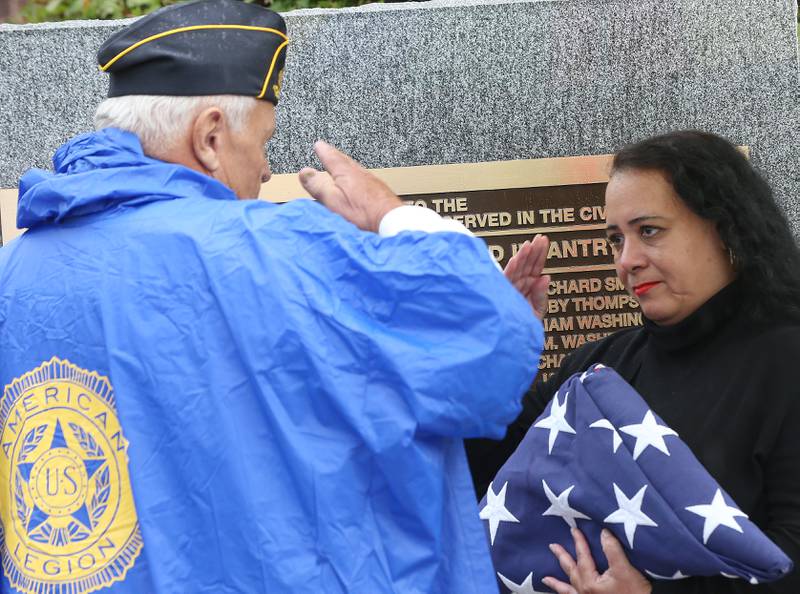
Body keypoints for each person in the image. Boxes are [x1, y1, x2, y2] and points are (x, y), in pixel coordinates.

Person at [0, 1, 545, 592]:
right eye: (262, 142)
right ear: (210, 137)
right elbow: (488, 331)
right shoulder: (273, 248)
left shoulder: (10, 270)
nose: (263, 173)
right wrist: (390, 214)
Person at [467, 130, 800, 593]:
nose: (627, 260)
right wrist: (497, 353)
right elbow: (479, 480)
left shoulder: (786, 360)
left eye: (649, 231)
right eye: (615, 239)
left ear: (725, 226)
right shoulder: (597, 366)